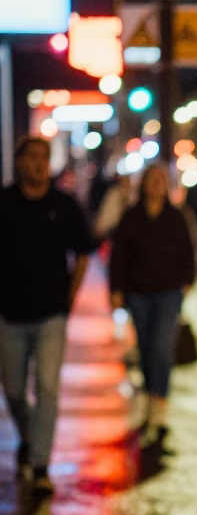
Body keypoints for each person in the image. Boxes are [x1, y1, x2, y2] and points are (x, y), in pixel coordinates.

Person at [0, 135, 93, 494]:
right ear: (20, 161)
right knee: (13, 391)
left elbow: (84, 252)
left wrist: (70, 296)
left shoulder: (64, 205)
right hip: (10, 314)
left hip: (52, 312)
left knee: (48, 388)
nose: (39, 164)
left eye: (44, 157)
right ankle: (30, 440)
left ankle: (40, 465)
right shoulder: (5, 202)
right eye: (32, 157)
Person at [110, 163, 195, 445]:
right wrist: (116, 288)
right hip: (138, 292)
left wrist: (187, 280)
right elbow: (118, 253)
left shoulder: (175, 216)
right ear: (143, 184)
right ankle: (148, 400)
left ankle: (159, 407)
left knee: (161, 347)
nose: (155, 185)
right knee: (146, 349)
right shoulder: (132, 216)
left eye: (160, 180)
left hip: (168, 291)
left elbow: (188, 249)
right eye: (151, 179)